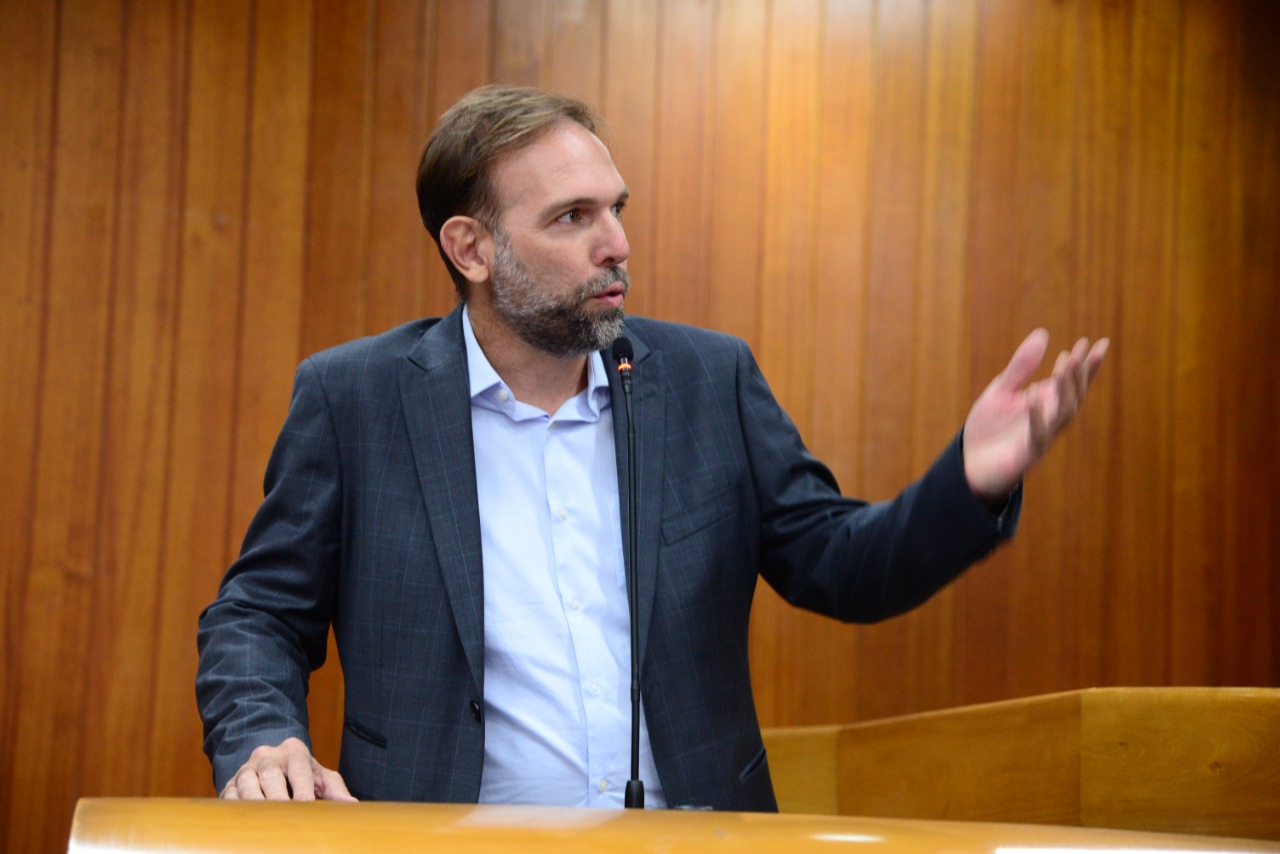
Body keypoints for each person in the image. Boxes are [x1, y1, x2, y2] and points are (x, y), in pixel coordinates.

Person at [196, 85, 1108, 810]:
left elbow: (841, 566)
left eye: (616, 210)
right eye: (571, 217)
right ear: (470, 248)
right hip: (441, 838)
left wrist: (971, 483)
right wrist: (262, 735)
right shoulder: (355, 398)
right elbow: (259, 612)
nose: (618, 245)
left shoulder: (707, 380)